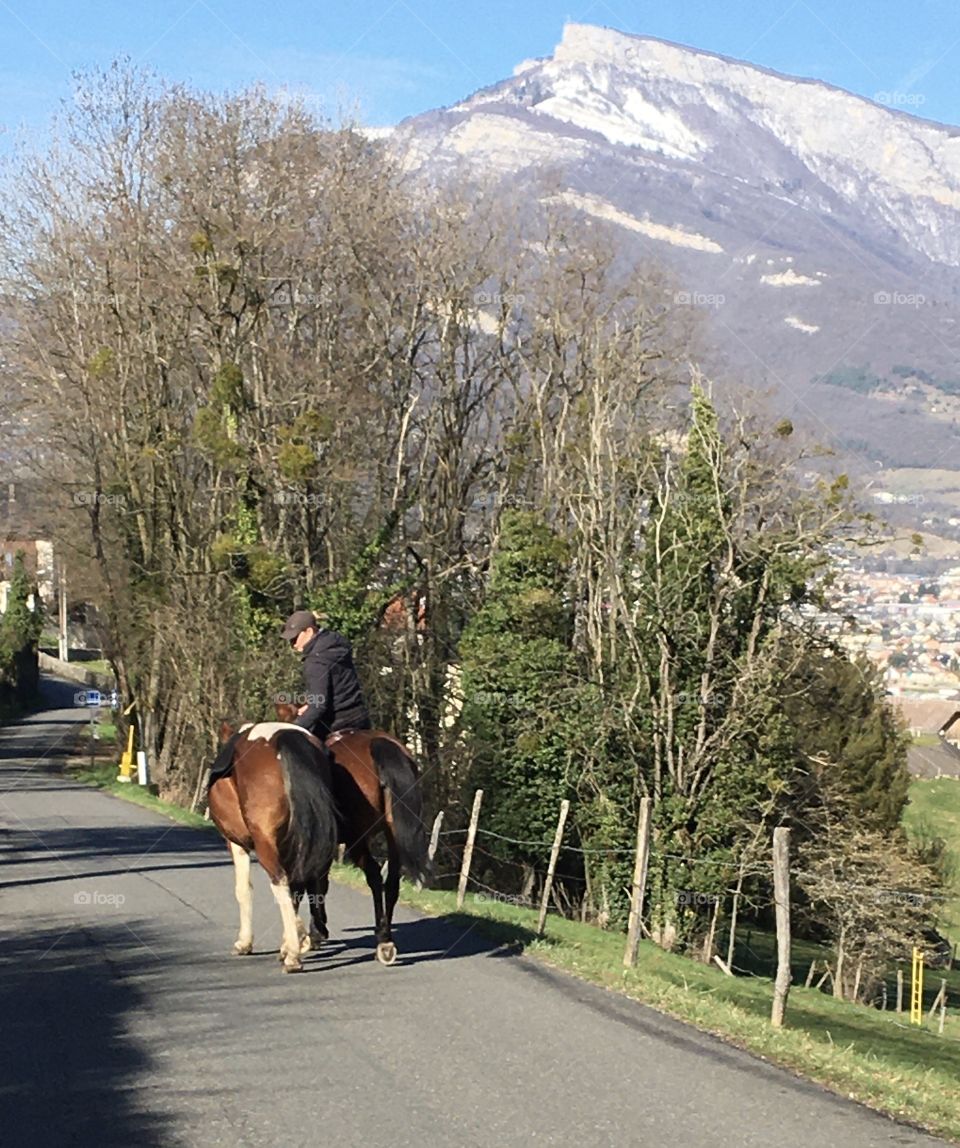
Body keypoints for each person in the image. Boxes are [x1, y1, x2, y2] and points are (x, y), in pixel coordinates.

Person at [280, 609, 372, 739]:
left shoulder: (315, 661)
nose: (292, 644)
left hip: (336, 722)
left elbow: (318, 707)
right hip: (359, 716)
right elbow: (336, 686)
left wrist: (295, 728)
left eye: (294, 638)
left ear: (309, 631)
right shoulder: (335, 643)